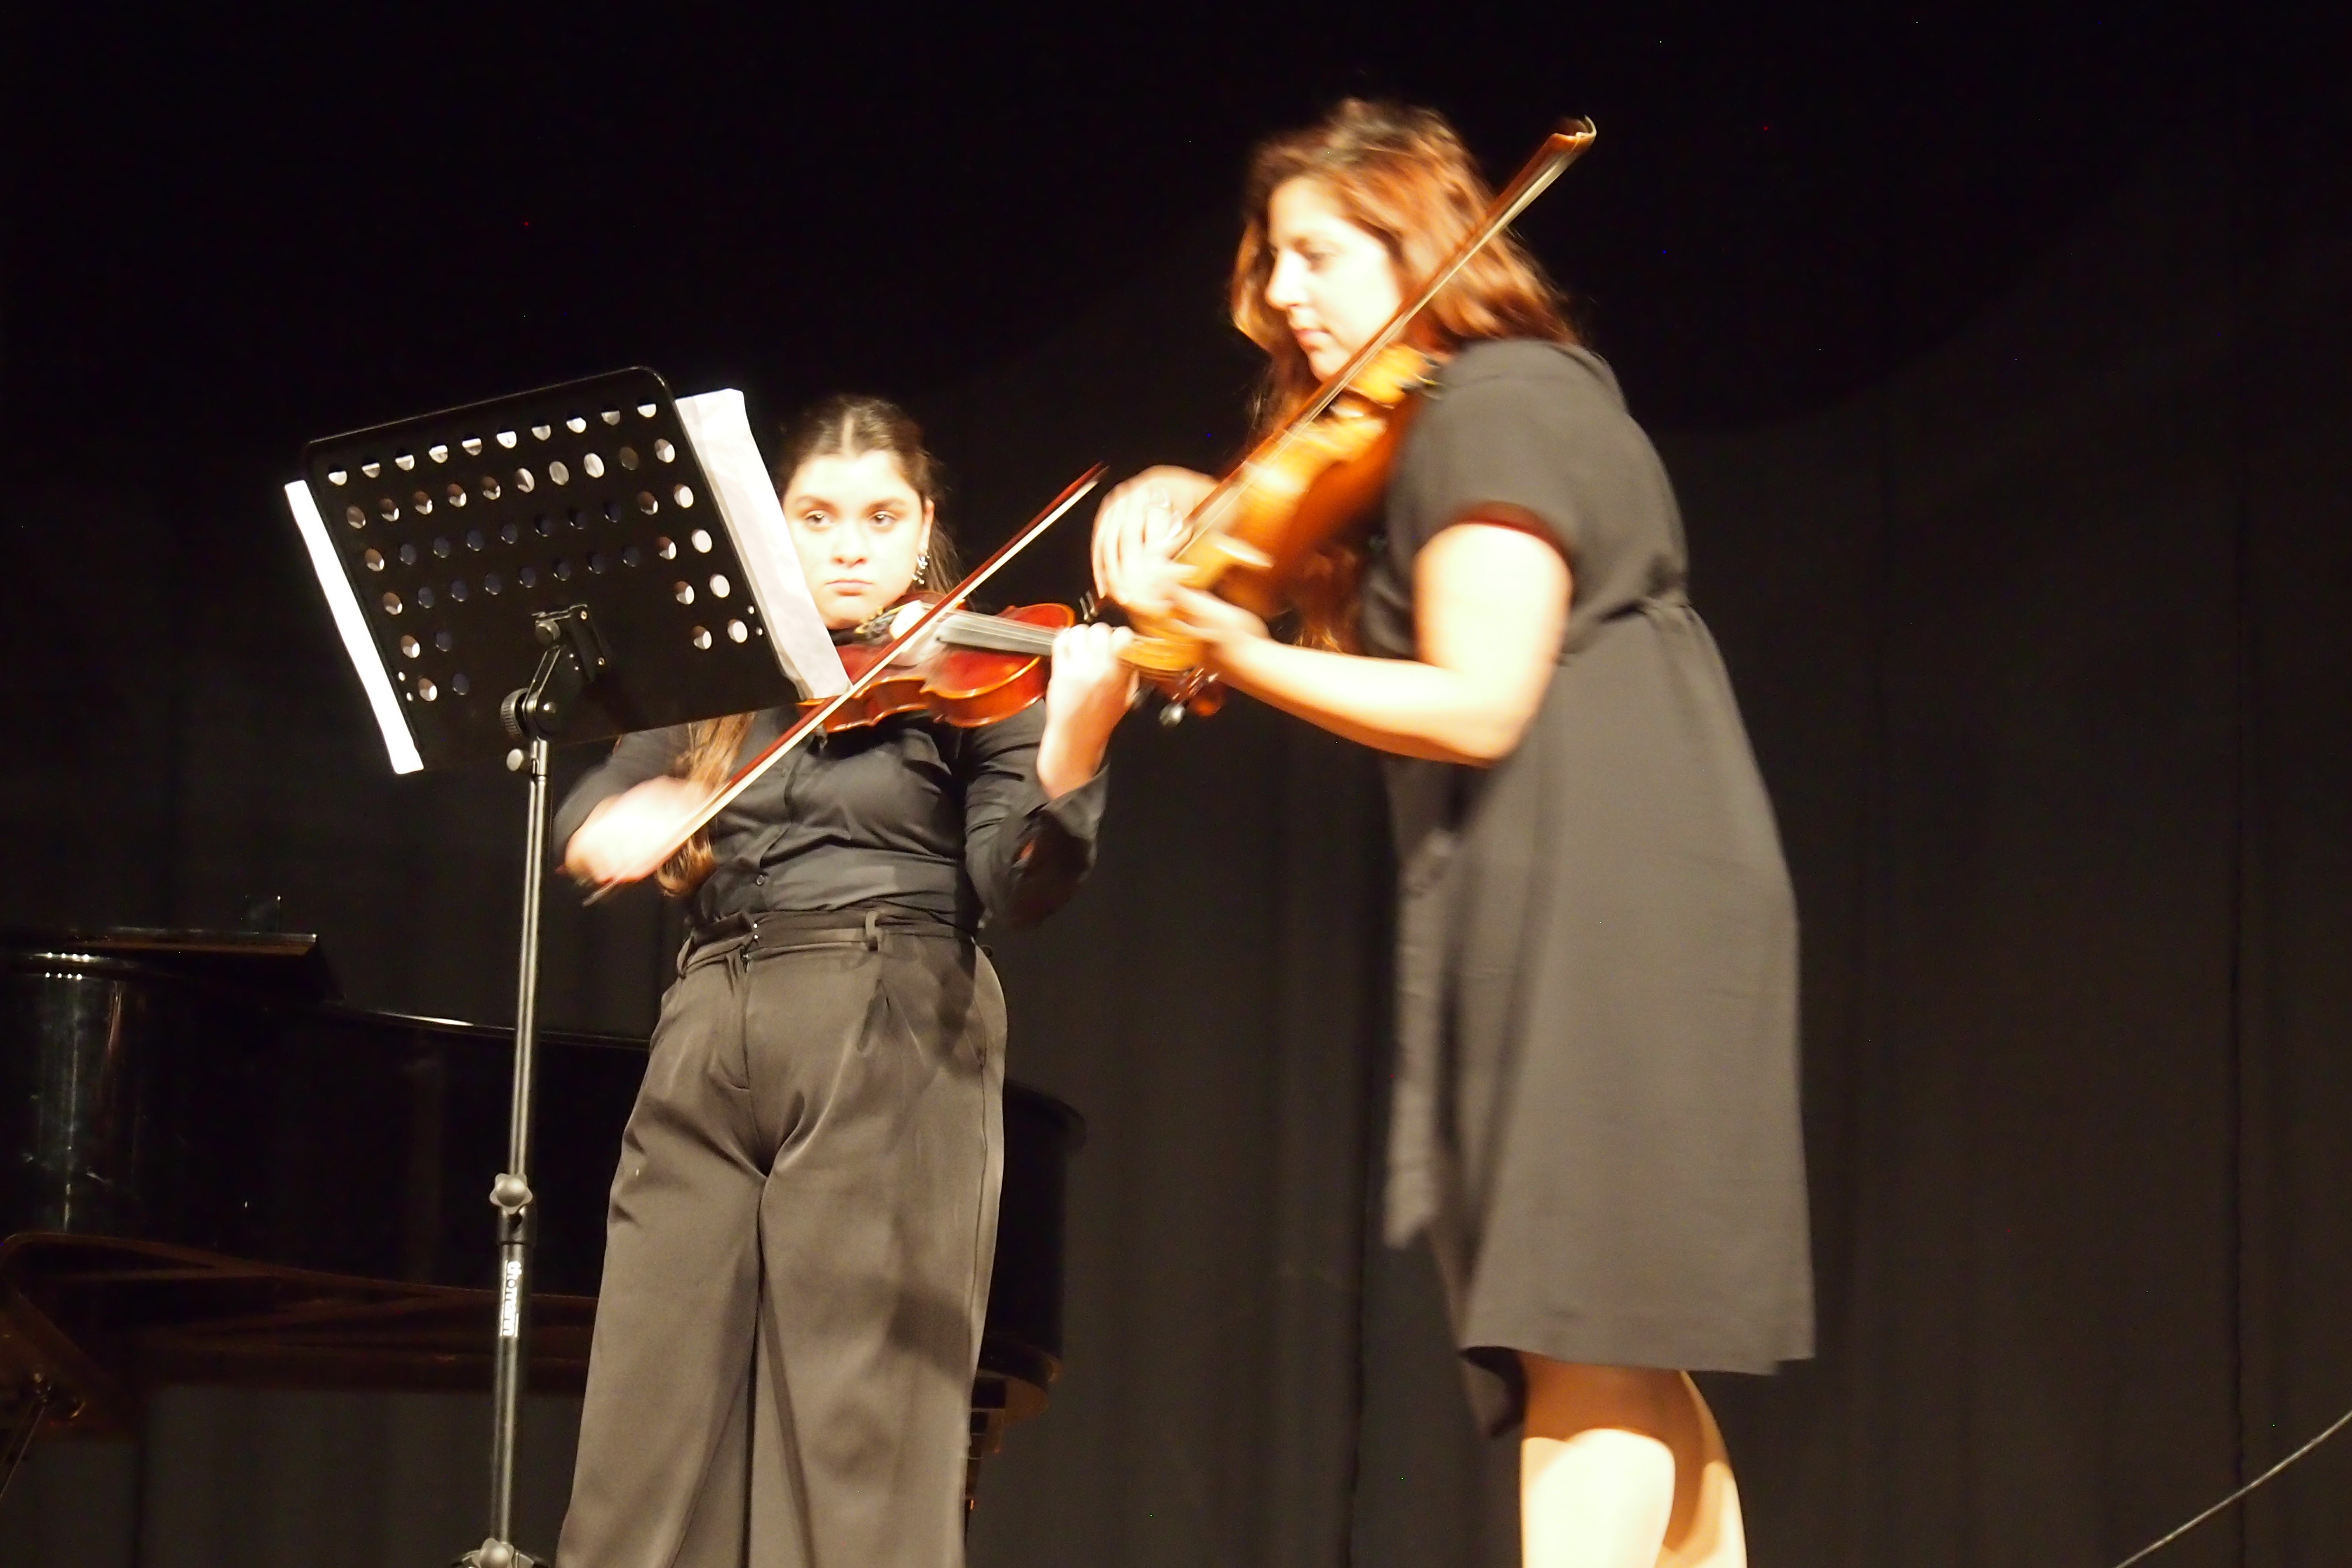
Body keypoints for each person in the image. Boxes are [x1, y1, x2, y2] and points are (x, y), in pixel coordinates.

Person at [1092, 100, 1812, 1568]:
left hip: (1608, 892)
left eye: (1319, 253)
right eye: (1272, 259)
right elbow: (1309, 561)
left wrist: (1231, 651)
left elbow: (1479, 701)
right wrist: (1189, 503)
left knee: (1586, 1333)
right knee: (1608, 1342)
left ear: (1416, 246)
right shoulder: (1445, 421)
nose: (1283, 291)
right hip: (1581, 880)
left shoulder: (1501, 401)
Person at [554, 394, 1136, 1567]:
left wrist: (1074, 747)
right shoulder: (718, 677)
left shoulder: (976, 669)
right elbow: (597, 806)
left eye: (881, 518)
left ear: (923, 531)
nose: (850, 548)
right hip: (709, 1021)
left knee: (856, 1444)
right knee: (640, 1441)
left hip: (889, 1017)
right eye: (817, 518)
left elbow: (1015, 885)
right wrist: (611, 825)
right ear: (775, 528)